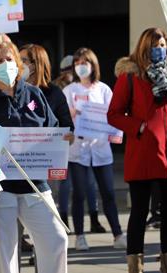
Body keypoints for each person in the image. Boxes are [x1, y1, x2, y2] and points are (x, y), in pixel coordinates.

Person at [0, 41, 69, 273]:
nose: (5, 64)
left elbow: (53, 127)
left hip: (34, 185)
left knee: (57, 240)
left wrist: (58, 144)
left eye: (9, 59)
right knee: (5, 256)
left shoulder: (34, 94)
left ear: (17, 63)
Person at [107, 28, 167, 273]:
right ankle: (135, 266)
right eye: (154, 44)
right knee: (139, 213)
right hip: (143, 154)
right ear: (144, 47)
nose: (159, 48)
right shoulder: (130, 77)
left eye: (163, 44)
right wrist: (139, 127)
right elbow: (113, 114)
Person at [20, 45, 105, 232]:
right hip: (16, 165)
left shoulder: (53, 93)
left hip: (43, 163)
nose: (19, 65)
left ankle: (37, 252)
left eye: (24, 61)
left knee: (45, 221)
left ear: (37, 64)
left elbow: (66, 126)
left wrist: (65, 135)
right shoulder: (14, 92)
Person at [63, 47, 126, 251]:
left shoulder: (104, 89)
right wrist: (70, 113)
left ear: (93, 65)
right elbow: (62, 118)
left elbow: (114, 116)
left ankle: (117, 234)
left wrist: (115, 135)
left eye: (85, 63)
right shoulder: (70, 91)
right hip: (78, 148)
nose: (81, 67)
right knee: (79, 193)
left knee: (108, 192)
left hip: (100, 147)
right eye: (77, 63)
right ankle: (80, 236)